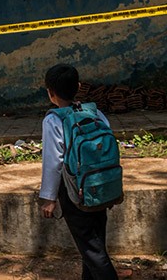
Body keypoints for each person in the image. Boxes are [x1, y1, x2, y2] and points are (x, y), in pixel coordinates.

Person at [39, 64, 118, 280]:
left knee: (92, 251)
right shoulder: (95, 112)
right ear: (79, 87)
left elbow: (53, 161)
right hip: (101, 185)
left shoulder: (53, 120)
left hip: (74, 192)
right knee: (94, 244)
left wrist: (48, 197)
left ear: (50, 92)